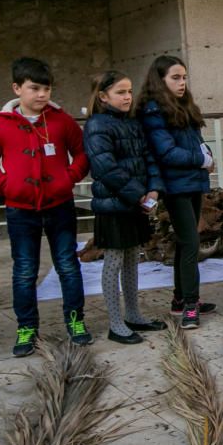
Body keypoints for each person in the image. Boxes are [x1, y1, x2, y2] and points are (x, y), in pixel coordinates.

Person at [0, 57, 92, 357]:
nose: (41, 95)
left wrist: (68, 178)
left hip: (60, 205)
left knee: (68, 264)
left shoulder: (62, 122)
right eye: (34, 88)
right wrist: (5, 186)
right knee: (25, 271)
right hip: (20, 210)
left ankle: (76, 320)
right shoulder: (1, 126)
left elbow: (81, 154)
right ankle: (27, 327)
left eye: (47, 88)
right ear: (17, 88)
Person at [83, 71, 167, 340]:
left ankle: (133, 314)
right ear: (103, 96)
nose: (128, 97)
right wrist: (138, 194)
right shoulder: (97, 125)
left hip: (135, 203)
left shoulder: (132, 123)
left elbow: (148, 157)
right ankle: (115, 323)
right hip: (114, 206)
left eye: (129, 91)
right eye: (121, 92)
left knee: (133, 258)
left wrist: (153, 189)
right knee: (114, 260)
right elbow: (105, 166)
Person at [138, 56, 217, 327]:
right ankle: (190, 307)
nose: (182, 83)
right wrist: (200, 159)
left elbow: (194, 142)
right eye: (175, 78)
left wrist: (206, 155)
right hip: (174, 186)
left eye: (184, 77)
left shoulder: (183, 105)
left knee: (187, 242)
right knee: (191, 244)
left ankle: (180, 299)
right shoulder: (153, 110)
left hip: (192, 181)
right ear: (160, 80)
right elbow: (167, 152)